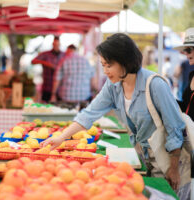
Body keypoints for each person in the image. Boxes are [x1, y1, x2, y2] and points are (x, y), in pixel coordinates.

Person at [42, 33, 186, 197]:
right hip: (142, 159)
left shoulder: (155, 85)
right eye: (103, 65)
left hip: (167, 160)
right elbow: (89, 114)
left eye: (109, 65)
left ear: (125, 61)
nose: (105, 71)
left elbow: (175, 128)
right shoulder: (113, 86)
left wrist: (173, 168)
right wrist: (62, 137)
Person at [32, 36, 65, 102]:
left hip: (60, 87)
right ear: (52, 44)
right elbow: (33, 61)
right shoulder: (45, 54)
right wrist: (46, 63)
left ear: (60, 44)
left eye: (57, 44)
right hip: (47, 85)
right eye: (54, 44)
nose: (56, 46)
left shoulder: (63, 55)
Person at [174, 27, 194, 121]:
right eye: (185, 50)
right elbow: (186, 108)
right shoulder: (192, 75)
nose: (186, 54)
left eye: (189, 50)